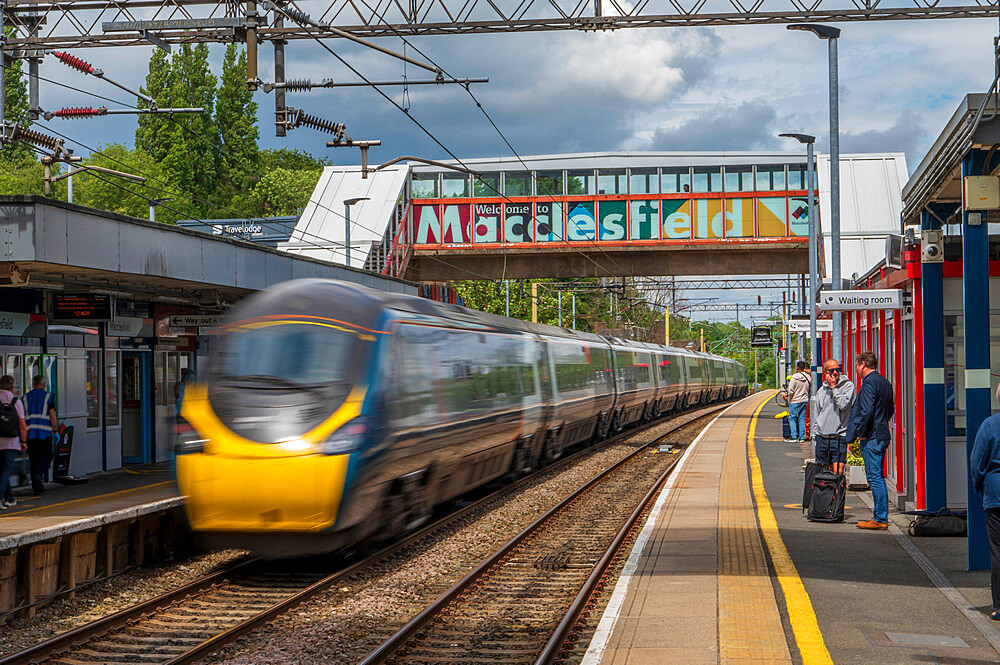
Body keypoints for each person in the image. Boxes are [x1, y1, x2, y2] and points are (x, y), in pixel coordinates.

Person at [846, 350, 895, 531]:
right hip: (882, 433)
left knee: (874, 477)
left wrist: (861, 432)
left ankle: (880, 518)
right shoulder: (885, 382)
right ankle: (880, 516)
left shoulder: (868, 384)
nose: (857, 369)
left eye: (857, 366)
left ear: (863, 365)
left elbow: (866, 411)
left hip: (872, 437)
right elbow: (890, 409)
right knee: (878, 477)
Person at [810, 358, 855, 476]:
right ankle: (825, 495)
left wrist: (834, 387)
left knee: (838, 472)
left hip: (839, 436)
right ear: (825, 372)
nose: (835, 372)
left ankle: (838, 494)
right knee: (822, 472)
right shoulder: (821, 391)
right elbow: (817, 414)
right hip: (822, 436)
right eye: (831, 370)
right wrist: (815, 435)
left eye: (837, 369)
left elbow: (843, 404)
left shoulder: (848, 386)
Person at [22, 375, 58, 495]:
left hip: (30, 435)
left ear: (33, 384)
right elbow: (52, 415)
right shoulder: (48, 396)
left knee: (33, 460)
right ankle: (39, 474)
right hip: (44, 434)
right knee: (47, 458)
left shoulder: (25, 398)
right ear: (43, 384)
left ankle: (37, 488)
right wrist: (56, 430)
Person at [0, 375, 27, 509]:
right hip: (11, 442)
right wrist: (23, 441)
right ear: (11, 387)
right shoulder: (15, 401)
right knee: (5, 470)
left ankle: (9, 498)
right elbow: (22, 424)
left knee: (2, 471)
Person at [783, 361, 811, 442]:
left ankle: (794, 436)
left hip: (795, 400)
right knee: (802, 418)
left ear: (797, 367)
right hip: (805, 400)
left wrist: (789, 398)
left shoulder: (794, 377)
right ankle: (802, 437)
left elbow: (791, 390)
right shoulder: (808, 377)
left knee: (792, 418)